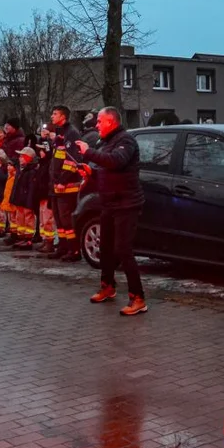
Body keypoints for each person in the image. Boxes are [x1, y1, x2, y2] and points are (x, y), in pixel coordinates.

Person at [78, 107, 146, 316]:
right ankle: (107, 285)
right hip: (109, 203)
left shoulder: (126, 141)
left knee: (123, 249)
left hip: (127, 204)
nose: (96, 125)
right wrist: (91, 172)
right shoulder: (106, 142)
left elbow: (117, 162)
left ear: (111, 122)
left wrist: (88, 152)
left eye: (99, 121)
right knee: (105, 247)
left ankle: (138, 298)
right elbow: (107, 169)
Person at [47, 106, 83, 258]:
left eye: (55, 114)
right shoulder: (61, 133)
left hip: (67, 185)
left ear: (64, 116)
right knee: (59, 218)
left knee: (67, 218)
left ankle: (74, 250)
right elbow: (58, 158)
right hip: (56, 184)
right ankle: (62, 247)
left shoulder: (71, 133)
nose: (52, 116)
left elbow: (72, 161)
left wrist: (62, 180)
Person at [7, 147, 39, 249]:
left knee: (28, 218)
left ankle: (28, 239)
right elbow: (16, 186)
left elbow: (31, 188)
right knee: (19, 218)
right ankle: (21, 237)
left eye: (22, 156)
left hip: (26, 201)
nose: (20, 158)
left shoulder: (31, 171)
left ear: (28, 158)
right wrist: (13, 198)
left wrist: (30, 202)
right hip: (19, 200)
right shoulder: (21, 170)